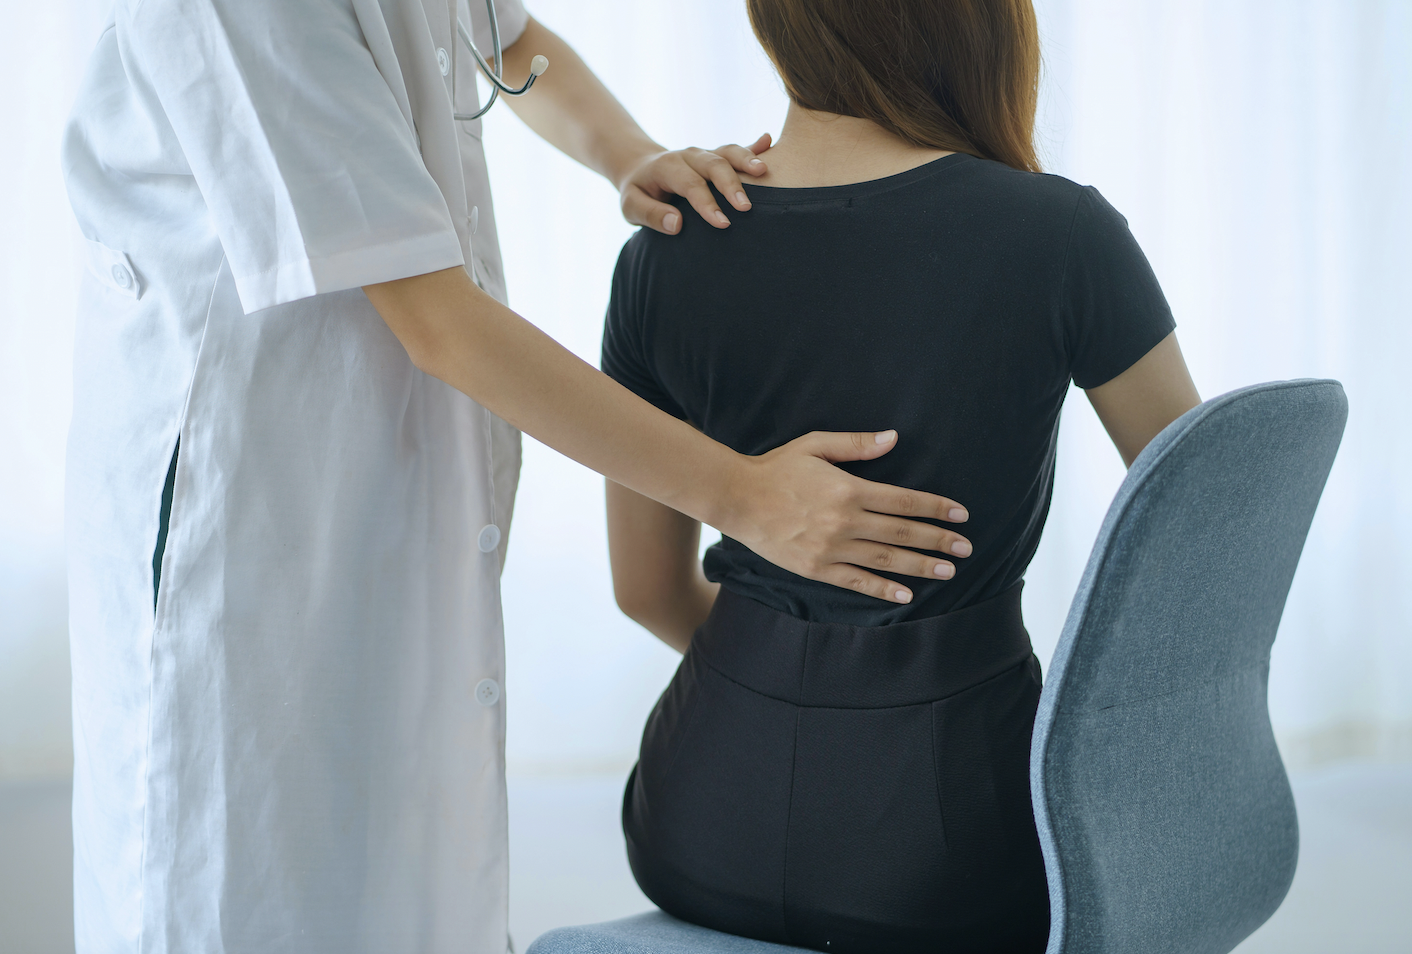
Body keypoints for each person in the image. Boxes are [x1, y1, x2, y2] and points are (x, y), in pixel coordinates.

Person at [60, 2, 976, 952]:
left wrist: (631, 154)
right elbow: (438, 324)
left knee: (400, 868)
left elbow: (506, 38)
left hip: (388, 498)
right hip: (244, 518)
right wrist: (746, 498)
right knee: (245, 882)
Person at [602, 0, 1204, 951]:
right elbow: (1203, 533)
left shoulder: (662, 251)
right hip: (950, 848)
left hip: (693, 819)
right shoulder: (1059, 233)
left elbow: (642, 590)